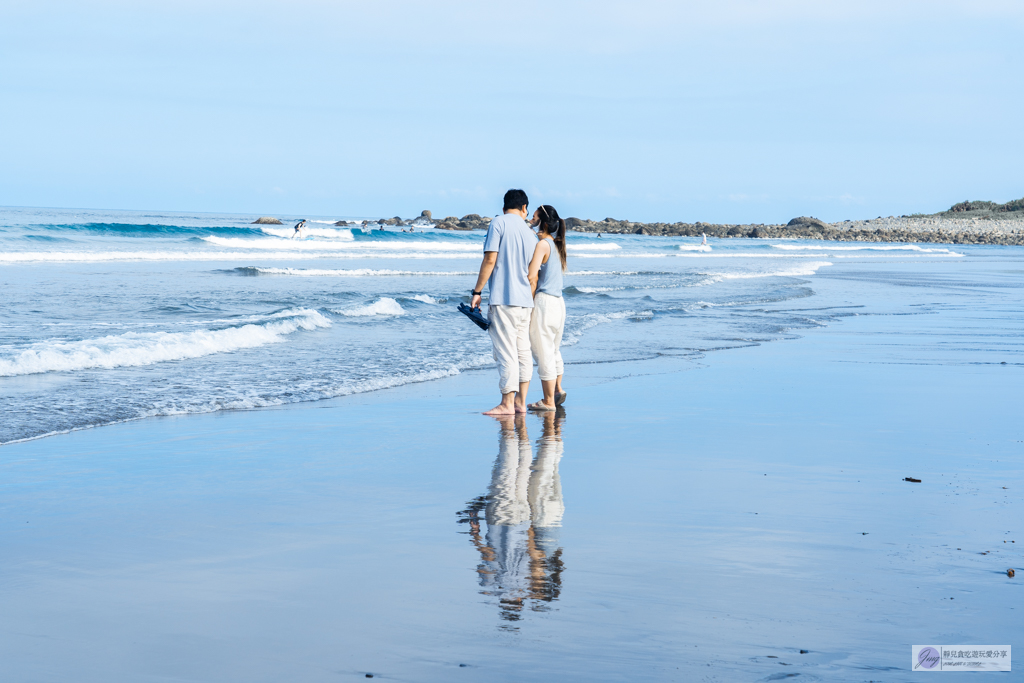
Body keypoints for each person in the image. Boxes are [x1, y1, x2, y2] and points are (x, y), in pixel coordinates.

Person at [471, 189, 538, 415]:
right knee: (522, 351)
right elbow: (533, 274)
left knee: (505, 352)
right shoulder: (531, 234)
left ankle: (507, 404)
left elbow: (490, 259)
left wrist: (477, 291)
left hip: (503, 298)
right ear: (524, 208)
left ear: (503, 208)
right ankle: (520, 402)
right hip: (525, 302)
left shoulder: (498, 223)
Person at [526, 205, 568, 411]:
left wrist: (527, 303)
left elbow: (532, 277)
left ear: (542, 222)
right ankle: (558, 389)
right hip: (559, 303)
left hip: (545, 303)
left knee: (543, 352)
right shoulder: (556, 244)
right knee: (553, 349)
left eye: (533, 217)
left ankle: (548, 400)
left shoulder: (542, 244)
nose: (530, 219)